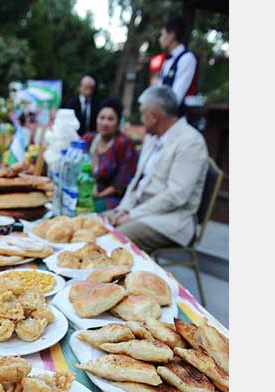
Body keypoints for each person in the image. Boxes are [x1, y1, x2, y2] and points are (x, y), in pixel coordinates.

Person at [106, 86, 208, 252]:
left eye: (142, 113)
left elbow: (177, 196)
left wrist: (132, 215)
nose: (141, 118)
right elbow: (137, 180)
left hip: (170, 219)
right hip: (139, 210)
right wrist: (123, 209)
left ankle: (114, 276)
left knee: (114, 239)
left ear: (154, 117)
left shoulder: (191, 142)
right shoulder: (152, 137)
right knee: (95, 224)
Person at [81, 98, 138, 211]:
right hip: (86, 191)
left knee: (85, 211)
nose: (105, 123)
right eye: (102, 118)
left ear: (118, 123)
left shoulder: (124, 143)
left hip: (111, 197)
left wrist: (98, 195)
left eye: (110, 119)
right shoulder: (89, 139)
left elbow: (121, 184)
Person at [158, 17, 199, 105]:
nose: (160, 39)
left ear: (172, 35)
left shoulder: (187, 58)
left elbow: (176, 97)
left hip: (180, 116)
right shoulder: (167, 60)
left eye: (162, 35)